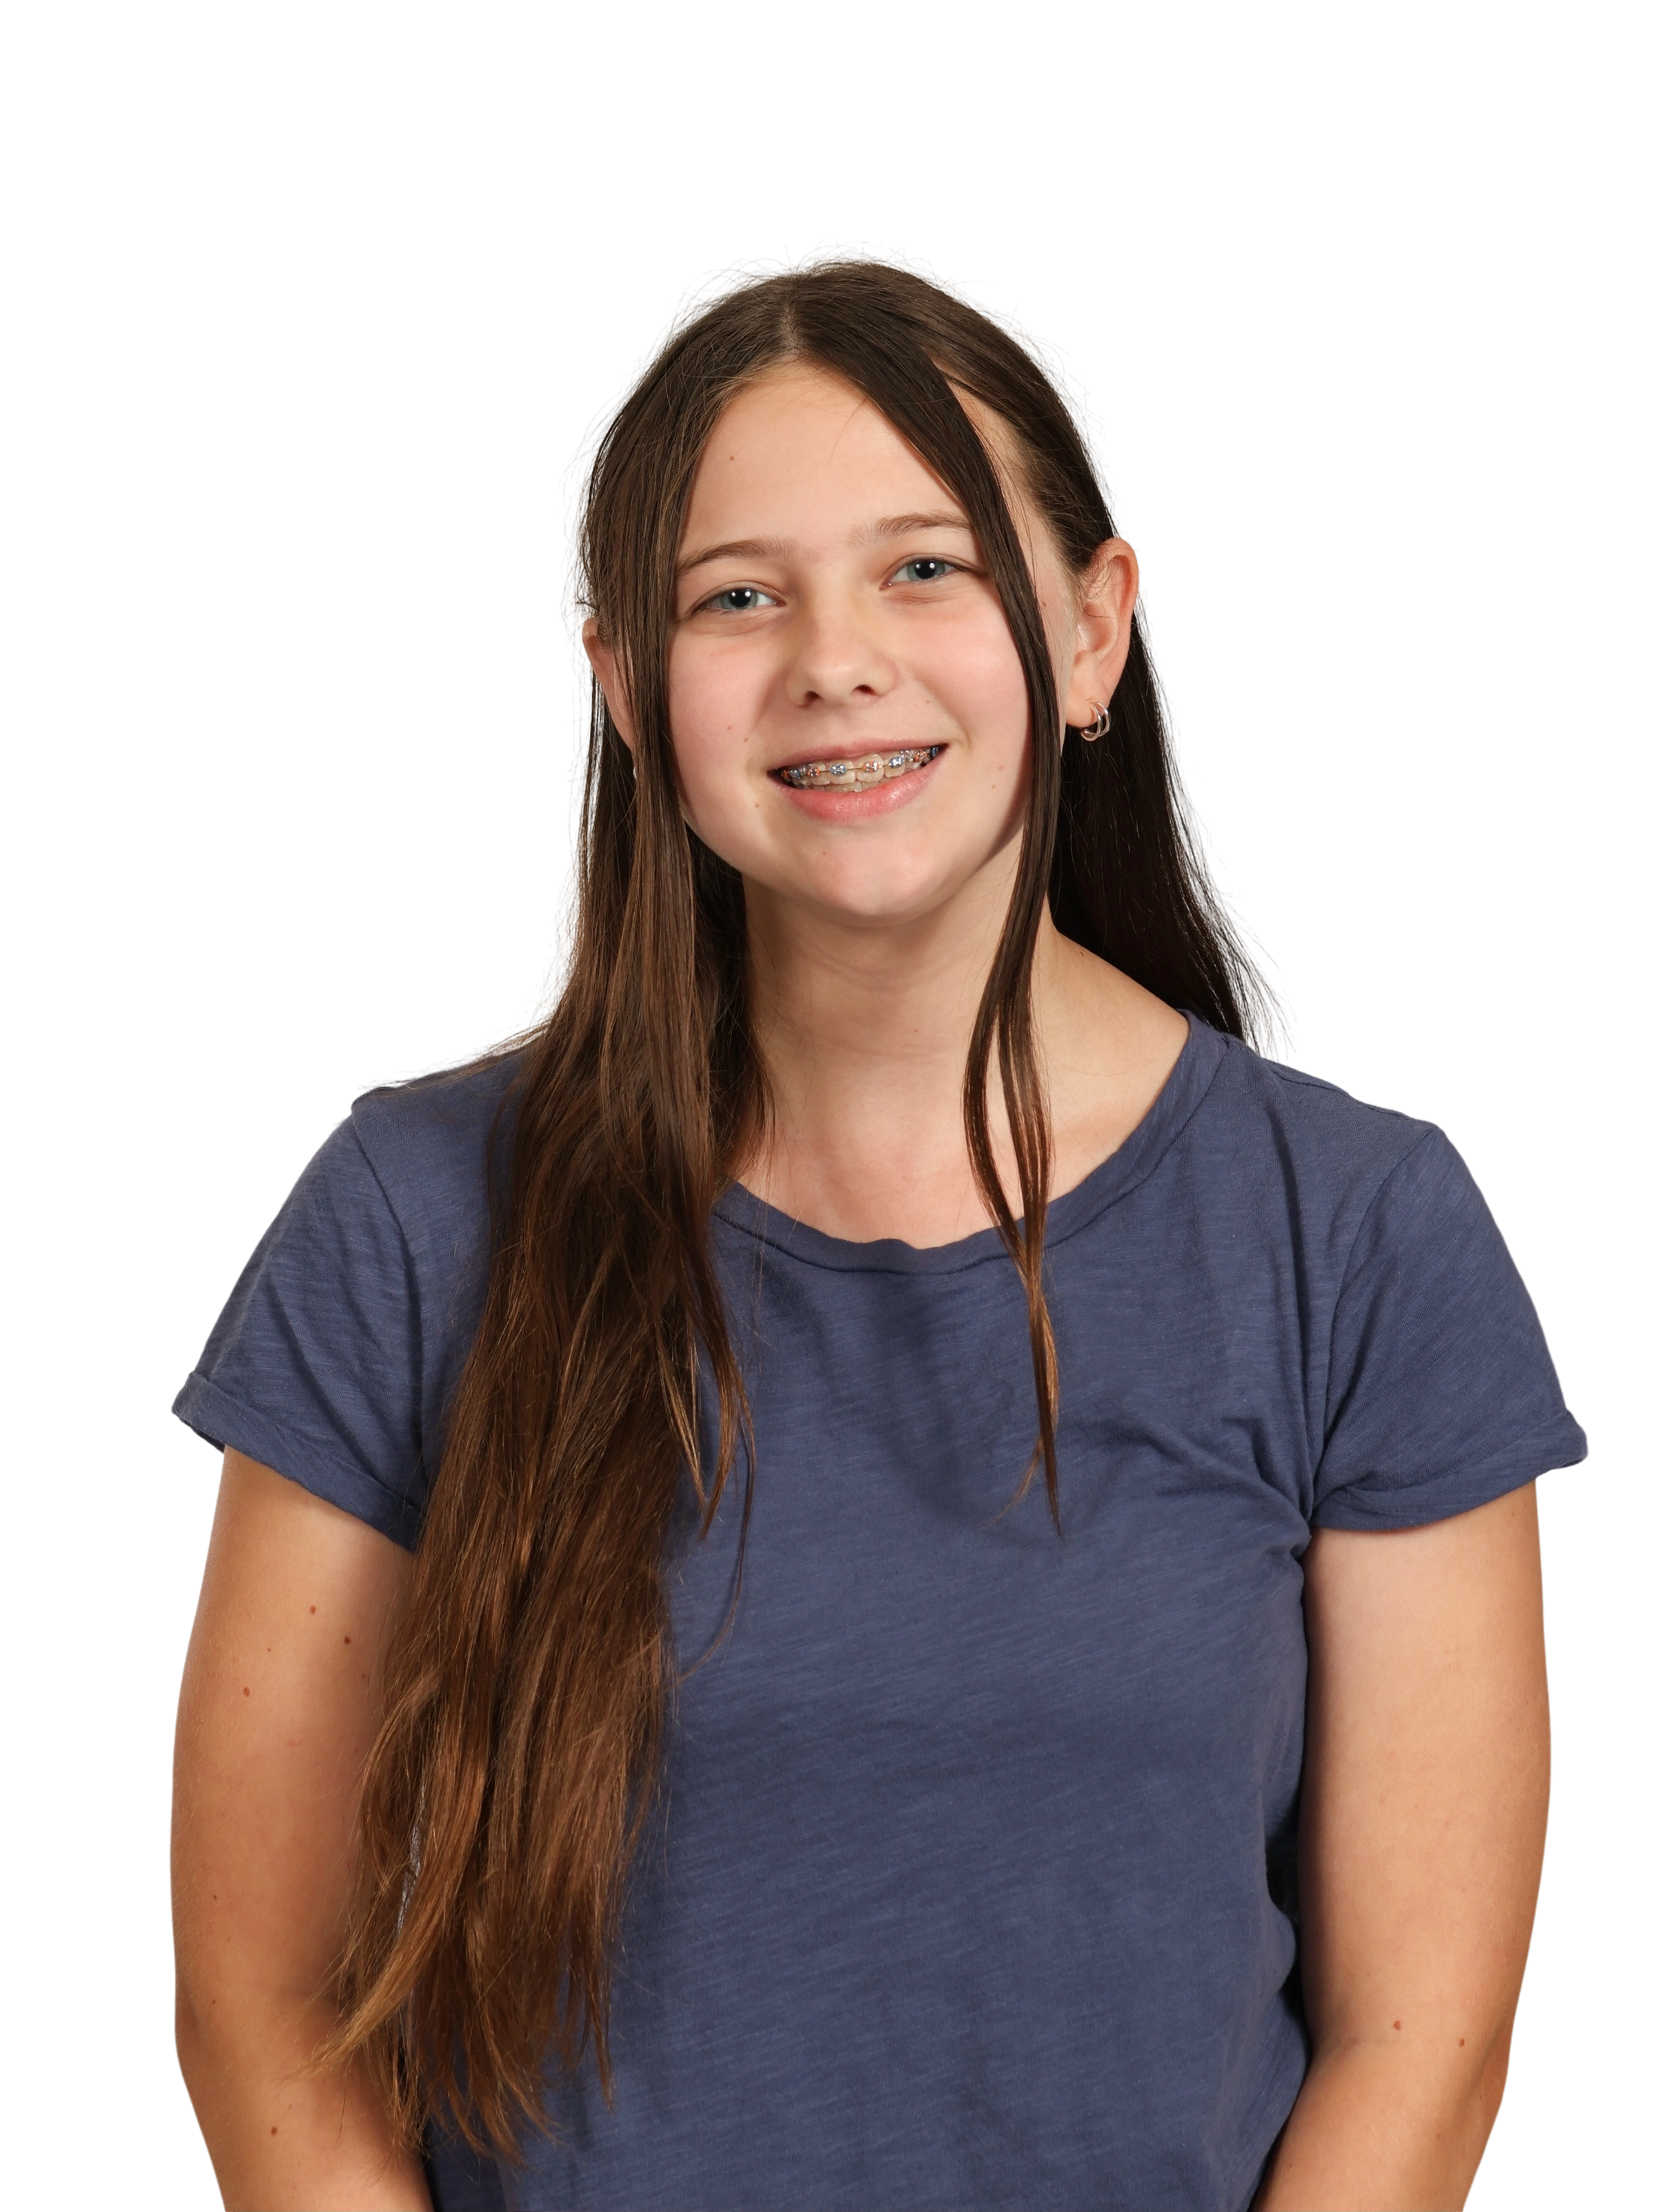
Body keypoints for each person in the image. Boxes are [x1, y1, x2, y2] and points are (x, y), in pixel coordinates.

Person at [166, 239, 1588, 2212]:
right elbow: (262, 2008)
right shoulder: (411, 1218)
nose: (835, 658)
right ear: (626, 684)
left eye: (926, 567)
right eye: (736, 596)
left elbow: (1417, 2047)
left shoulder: (1358, 1234)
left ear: (1091, 632)